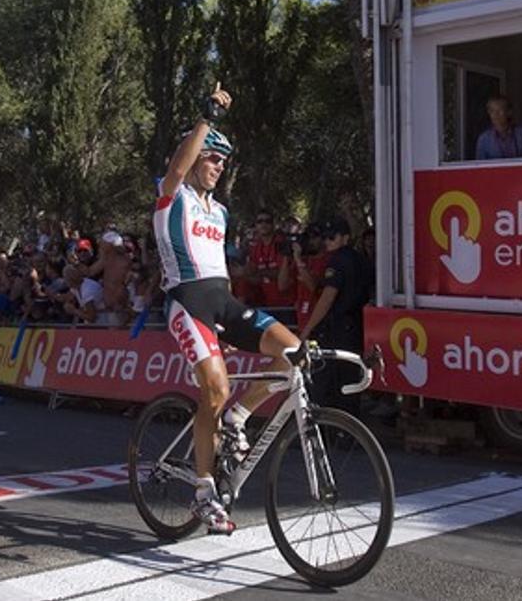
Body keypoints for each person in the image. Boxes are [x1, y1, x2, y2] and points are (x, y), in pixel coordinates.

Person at [153, 83, 304, 535]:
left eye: (223, 160)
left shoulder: (219, 212)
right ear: (196, 155)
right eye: (212, 157)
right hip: (187, 302)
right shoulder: (170, 196)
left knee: (294, 352)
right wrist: (208, 117)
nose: (218, 166)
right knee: (214, 391)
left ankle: (239, 418)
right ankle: (203, 493)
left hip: (223, 300)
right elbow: (178, 166)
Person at [299, 217, 371, 417]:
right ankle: (348, 431)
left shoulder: (338, 260)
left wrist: (307, 330)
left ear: (345, 238)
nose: (327, 241)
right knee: (350, 382)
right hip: (355, 327)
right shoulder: (360, 259)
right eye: (325, 237)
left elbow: (327, 298)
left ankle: (325, 428)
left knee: (326, 382)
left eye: (333, 236)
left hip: (337, 329)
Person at [475, 95, 522, 160]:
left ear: (509, 112)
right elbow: (480, 167)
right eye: (492, 111)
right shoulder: (484, 139)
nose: (495, 114)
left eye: (500, 110)